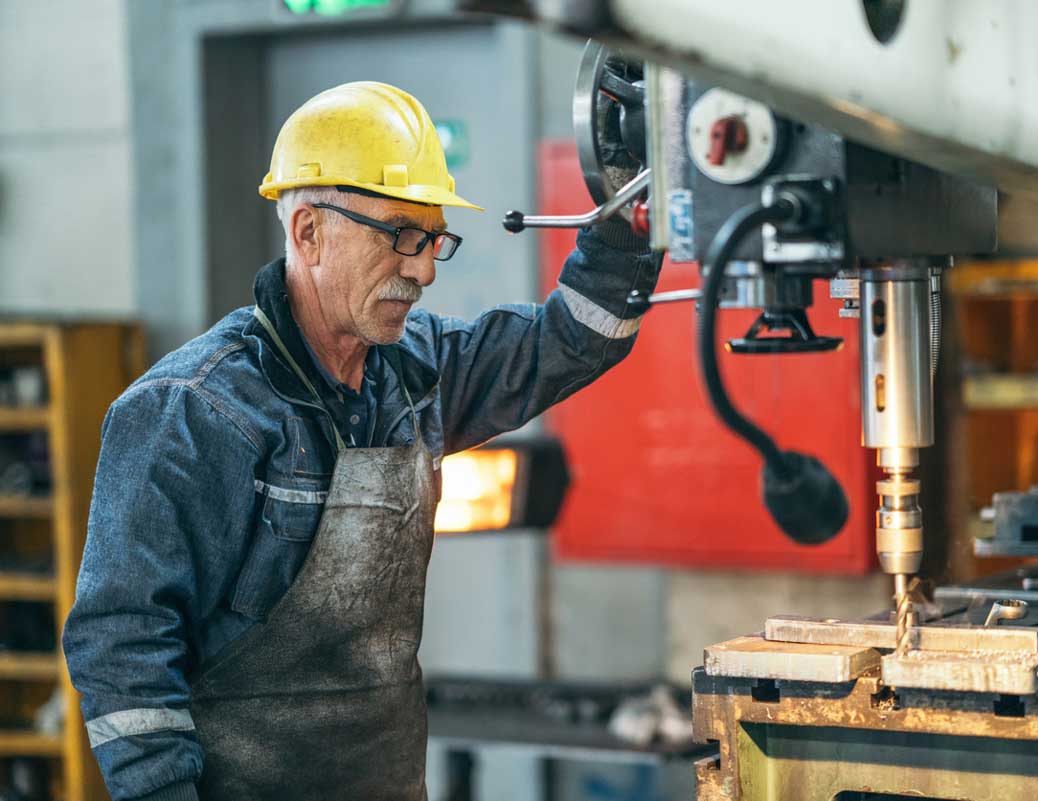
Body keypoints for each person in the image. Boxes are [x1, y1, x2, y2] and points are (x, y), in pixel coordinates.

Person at [63, 81, 661, 801]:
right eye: (400, 237)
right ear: (308, 231)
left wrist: (630, 200)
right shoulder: (191, 411)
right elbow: (120, 646)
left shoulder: (418, 373)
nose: (424, 269)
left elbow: (570, 340)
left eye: (435, 239)